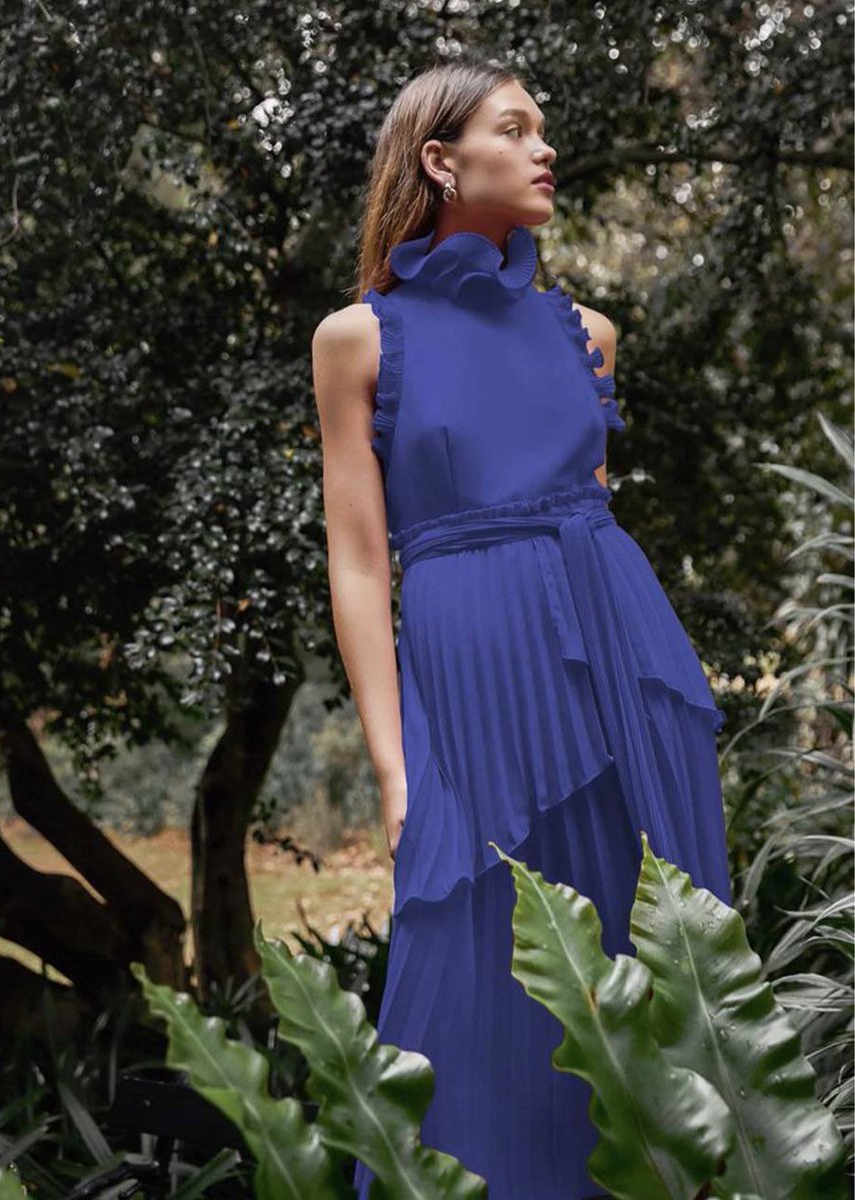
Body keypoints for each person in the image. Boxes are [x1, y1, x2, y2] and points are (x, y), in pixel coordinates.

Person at [311, 55, 732, 1200]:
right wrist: (393, 765)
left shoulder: (585, 333)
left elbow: (589, 511)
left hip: (618, 658)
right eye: (516, 127)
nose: (545, 147)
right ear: (441, 160)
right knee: (470, 947)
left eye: (543, 129)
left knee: (645, 948)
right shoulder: (358, 339)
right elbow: (360, 561)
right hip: (471, 677)